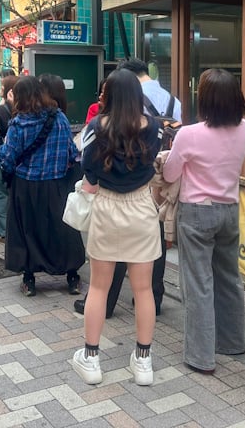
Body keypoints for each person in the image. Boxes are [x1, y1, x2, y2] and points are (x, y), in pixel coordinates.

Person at [162, 69, 245, 375]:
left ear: (203, 99)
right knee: (229, 277)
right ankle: (232, 342)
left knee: (198, 283)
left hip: (197, 212)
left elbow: (169, 175)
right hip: (229, 210)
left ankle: (201, 356)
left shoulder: (188, 134)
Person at [71, 69, 162, 386]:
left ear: (108, 96)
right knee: (143, 290)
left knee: (98, 287)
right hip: (141, 207)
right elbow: (153, 162)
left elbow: (89, 172)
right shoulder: (155, 127)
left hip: (107, 207)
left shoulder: (96, 127)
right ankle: (143, 362)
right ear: (138, 96)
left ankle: (92, 359)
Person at [74, 57, 178, 318]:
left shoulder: (98, 126)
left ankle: (95, 339)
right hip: (148, 192)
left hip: (109, 198)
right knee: (145, 285)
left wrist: (98, 182)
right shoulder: (170, 104)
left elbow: (88, 165)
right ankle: (145, 346)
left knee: (102, 278)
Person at [0, 76, 84, 297]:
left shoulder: (17, 124)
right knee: (63, 230)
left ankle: (29, 278)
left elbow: (7, 158)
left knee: (27, 230)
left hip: (26, 186)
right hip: (56, 183)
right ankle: (72, 275)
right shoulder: (60, 119)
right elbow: (72, 154)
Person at [0, 74, 18, 242]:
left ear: (9, 91)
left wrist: (1, 144)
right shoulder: (26, 108)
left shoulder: (2, 109)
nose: (0, 90)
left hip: (4, 153)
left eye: (2, 87)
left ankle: (1, 230)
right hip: (20, 155)